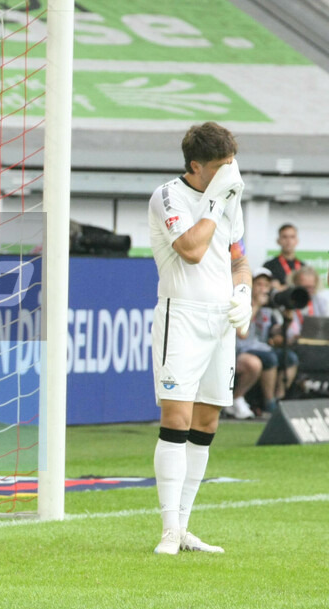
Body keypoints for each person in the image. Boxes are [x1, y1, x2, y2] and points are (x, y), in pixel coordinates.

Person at [147, 121, 251, 556]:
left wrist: (243, 292)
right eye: (222, 166)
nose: (232, 172)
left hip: (219, 322)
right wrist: (214, 201)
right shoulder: (169, 195)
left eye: (233, 164)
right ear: (197, 166)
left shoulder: (229, 197)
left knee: (207, 422)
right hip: (181, 315)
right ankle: (169, 529)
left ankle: (185, 526)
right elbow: (190, 250)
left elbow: (238, 259)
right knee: (177, 417)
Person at [226, 267, 297, 419]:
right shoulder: (240, 302)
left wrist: (288, 316)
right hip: (240, 350)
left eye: (266, 285)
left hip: (262, 348)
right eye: (259, 285)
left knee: (290, 358)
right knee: (266, 359)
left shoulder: (269, 309)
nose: (263, 289)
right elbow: (241, 334)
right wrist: (256, 305)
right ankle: (267, 403)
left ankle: (279, 399)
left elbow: (275, 332)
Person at [263, 223, 303, 289]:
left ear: (297, 241)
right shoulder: (269, 266)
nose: (288, 241)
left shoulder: (302, 267)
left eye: (292, 237)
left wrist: (282, 288)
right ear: (278, 241)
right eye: (285, 237)